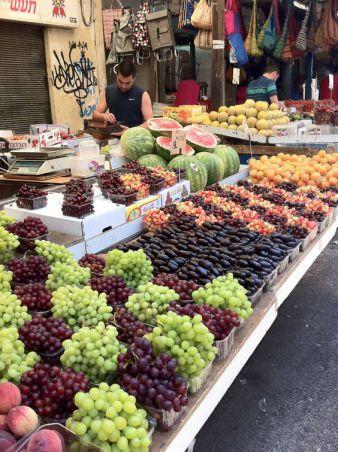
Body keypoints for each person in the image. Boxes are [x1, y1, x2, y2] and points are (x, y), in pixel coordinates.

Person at [93, 60, 153, 133]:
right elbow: (95, 115)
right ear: (116, 76)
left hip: (134, 137)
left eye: (127, 83)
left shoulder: (142, 94)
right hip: (113, 137)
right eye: (120, 81)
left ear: (134, 79)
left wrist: (130, 131)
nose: (123, 86)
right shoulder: (108, 91)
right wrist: (103, 116)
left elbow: (149, 122)